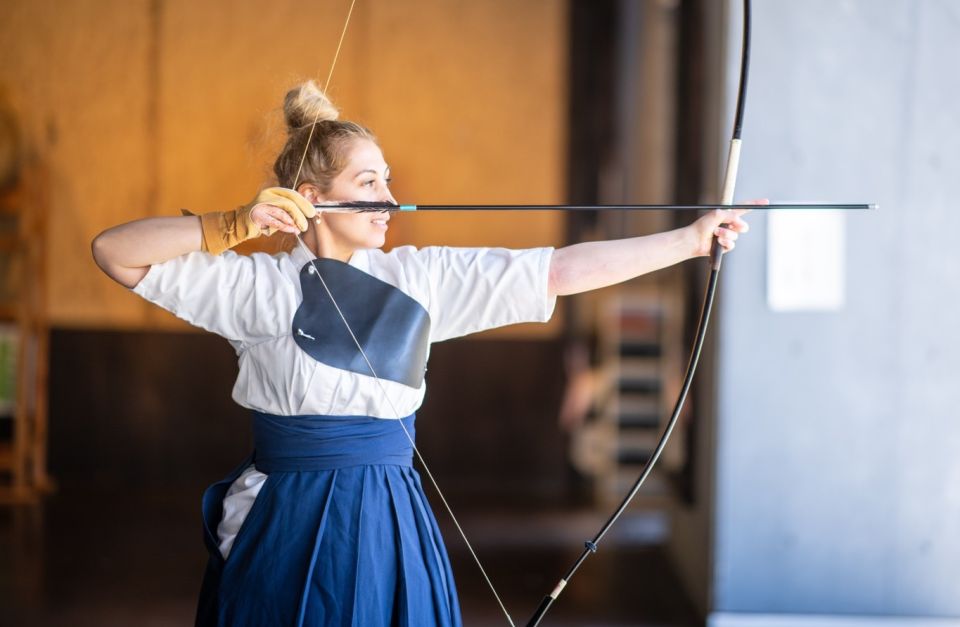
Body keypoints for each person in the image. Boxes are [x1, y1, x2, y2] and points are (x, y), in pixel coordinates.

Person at [91, 80, 750, 627]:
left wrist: (689, 242)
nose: (388, 198)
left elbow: (555, 271)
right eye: (368, 181)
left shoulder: (419, 277)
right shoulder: (257, 287)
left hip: (388, 513)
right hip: (284, 520)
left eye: (389, 180)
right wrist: (232, 224)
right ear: (313, 199)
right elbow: (114, 252)